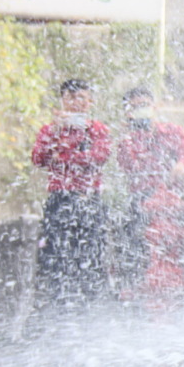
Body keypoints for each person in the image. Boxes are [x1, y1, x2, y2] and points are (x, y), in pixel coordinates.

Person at [31, 79, 111, 311]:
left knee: (91, 252)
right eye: (70, 98)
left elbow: (99, 157)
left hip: (89, 197)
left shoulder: (97, 129)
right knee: (56, 254)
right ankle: (59, 304)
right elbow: (38, 158)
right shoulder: (50, 130)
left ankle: (91, 304)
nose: (75, 103)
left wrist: (64, 158)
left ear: (90, 102)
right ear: (62, 101)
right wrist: (57, 131)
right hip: (60, 198)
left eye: (81, 98)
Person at [115, 87, 184, 306]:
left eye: (144, 105)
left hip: (174, 200)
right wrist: (129, 135)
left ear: (154, 107)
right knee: (133, 241)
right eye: (135, 107)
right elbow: (128, 164)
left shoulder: (172, 131)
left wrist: (181, 165)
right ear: (128, 112)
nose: (141, 110)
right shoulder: (128, 141)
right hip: (142, 200)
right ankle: (135, 287)